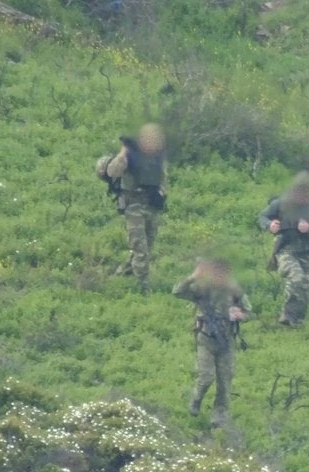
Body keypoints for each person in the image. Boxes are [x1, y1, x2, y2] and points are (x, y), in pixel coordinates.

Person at [172, 258, 250, 428]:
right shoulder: (202, 289)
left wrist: (240, 315)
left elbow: (248, 311)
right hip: (206, 339)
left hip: (226, 341)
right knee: (206, 377)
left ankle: (219, 415)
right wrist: (193, 277)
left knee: (225, 379)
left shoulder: (234, 290)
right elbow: (178, 292)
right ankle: (196, 400)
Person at [97, 123, 168, 293]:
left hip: (151, 205)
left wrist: (162, 193)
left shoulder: (156, 156)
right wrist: (124, 151)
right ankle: (143, 285)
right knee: (140, 247)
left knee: (147, 247)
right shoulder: (128, 157)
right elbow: (114, 172)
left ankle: (123, 273)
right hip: (133, 206)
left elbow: (163, 177)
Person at [257, 171, 309, 326]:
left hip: (308, 253)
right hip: (286, 250)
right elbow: (262, 217)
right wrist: (269, 225)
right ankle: (287, 315)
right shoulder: (280, 204)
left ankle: (297, 321)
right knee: (296, 277)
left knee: (307, 288)